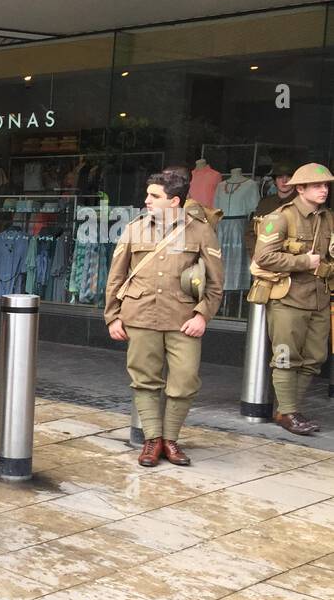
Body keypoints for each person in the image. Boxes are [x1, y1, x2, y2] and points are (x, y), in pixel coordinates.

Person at [105, 167, 224, 466]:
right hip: (140, 315)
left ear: (174, 201)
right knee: (144, 381)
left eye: (154, 196)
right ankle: (152, 440)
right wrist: (113, 317)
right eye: (148, 194)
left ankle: (171, 439)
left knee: (185, 381)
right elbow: (116, 277)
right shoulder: (134, 228)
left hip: (183, 318)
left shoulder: (200, 230)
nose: (146, 200)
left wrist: (202, 316)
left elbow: (215, 282)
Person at [252, 162, 334, 435]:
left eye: (326, 185)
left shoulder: (328, 218)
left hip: (319, 298)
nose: (324, 190)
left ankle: (288, 409)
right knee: (286, 357)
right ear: (300, 189)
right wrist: (302, 262)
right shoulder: (280, 217)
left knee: (315, 358)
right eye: (317, 185)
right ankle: (288, 412)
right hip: (289, 298)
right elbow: (263, 257)